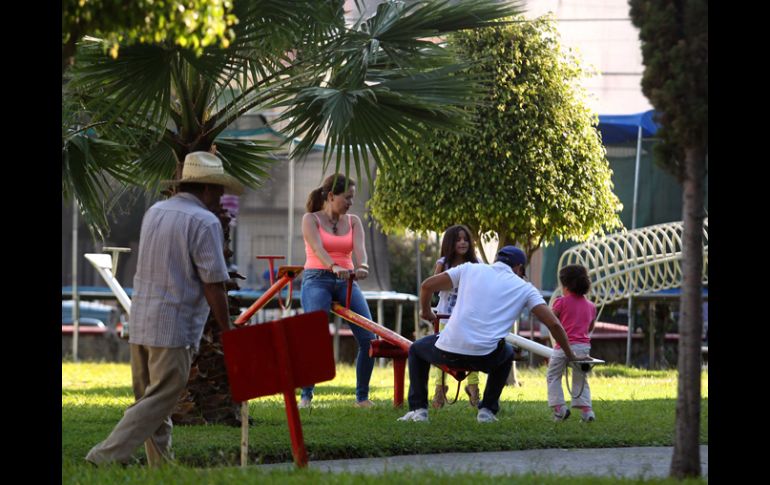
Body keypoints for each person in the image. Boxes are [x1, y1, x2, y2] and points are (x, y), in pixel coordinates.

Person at [85, 151, 243, 466]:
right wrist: (228, 330)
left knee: (151, 400)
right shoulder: (204, 220)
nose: (223, 196)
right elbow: (213, 282)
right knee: (159, 400)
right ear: (208, 188)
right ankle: (102, 457)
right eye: (220, 188)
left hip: (141, 320)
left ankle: (162, 467)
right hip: (174, 326)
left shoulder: (156, 212)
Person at [398, 246, 578, 423]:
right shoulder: (525, 288)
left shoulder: (469, 269)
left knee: (416, 349)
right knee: (507, 351)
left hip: (447, 351)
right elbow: (554, 323)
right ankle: (487, 411)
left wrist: (426, 312)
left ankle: (418, 410)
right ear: (519, 268)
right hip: (485, 358)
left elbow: (427, 285)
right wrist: (570, 355)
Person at [299, 173, 376, 408]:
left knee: (368, 338)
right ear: (331, 196)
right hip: (317, 278)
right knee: (315, 336)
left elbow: (360, 250)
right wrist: (332, 266)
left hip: (347, 281)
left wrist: (362, 266)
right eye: (347, 197)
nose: (351, 203)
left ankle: (362, 398)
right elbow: (318, 248)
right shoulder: (310, 219)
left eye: (352, 198)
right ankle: (306, 396)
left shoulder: (353, 221)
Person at [430, 224, 481, 409]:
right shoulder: (443, 263)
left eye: (465, 239)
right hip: (446, 317)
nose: (462, 242)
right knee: (442, 354)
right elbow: (434, 285)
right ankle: (439, 390)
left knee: (473, 352)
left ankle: (474, 389)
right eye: (458, 239)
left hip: (469, 318)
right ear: (450, 242)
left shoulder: (476, 265)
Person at [547, 264, 597, 422]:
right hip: (583, 347)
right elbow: (590, 327)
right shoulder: (590, 306)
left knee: (553, 376)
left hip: (563, 346)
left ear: (565, 285)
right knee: (580, 378)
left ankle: (559, 408)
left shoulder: (560, 302)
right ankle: (587, 411)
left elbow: (552, 321)